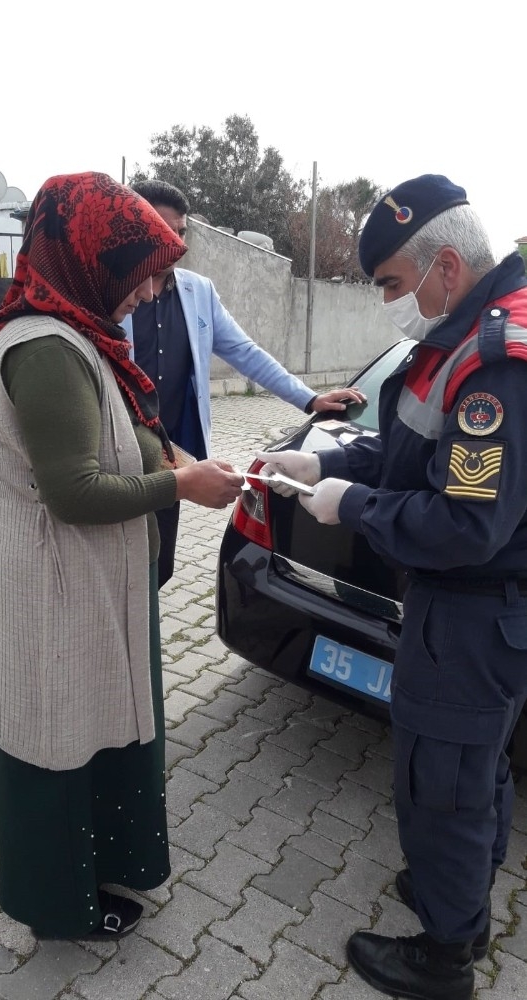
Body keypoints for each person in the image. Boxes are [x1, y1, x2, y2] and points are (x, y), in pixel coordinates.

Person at [256, 174, 527, 1000]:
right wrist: (327, 461)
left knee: (440, 780)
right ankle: (463, 894)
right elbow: (409, 450)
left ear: (446, 266)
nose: (387, 304)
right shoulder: (453, 339)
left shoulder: (494, 365)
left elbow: (464, 523)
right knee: (473, 768)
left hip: (474, 612)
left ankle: (446, 955)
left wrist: (354, 507)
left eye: (391, 285)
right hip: (477, 617)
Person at [0, 171, 243, 941]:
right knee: (58, 736)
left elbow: (139, 440)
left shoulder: (84, 336)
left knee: (93, 728)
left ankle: (98, 866)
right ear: (92, 259)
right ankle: (60, 906)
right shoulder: (47, 350)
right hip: (57, 590)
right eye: (140, 275)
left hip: (87, 584)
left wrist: (194, 465)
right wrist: (182, 488)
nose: (150, 293)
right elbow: (74, 492)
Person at [123, 178, 365, 588]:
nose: (176, 243)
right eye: (165, 231)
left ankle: (140, 644)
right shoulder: (115, 292)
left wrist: (309, 399)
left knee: (157, 568)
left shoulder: (199, 292)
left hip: (170, 458)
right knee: (119, 572)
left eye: (182, 232)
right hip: (118, 457)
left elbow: (246, 352)